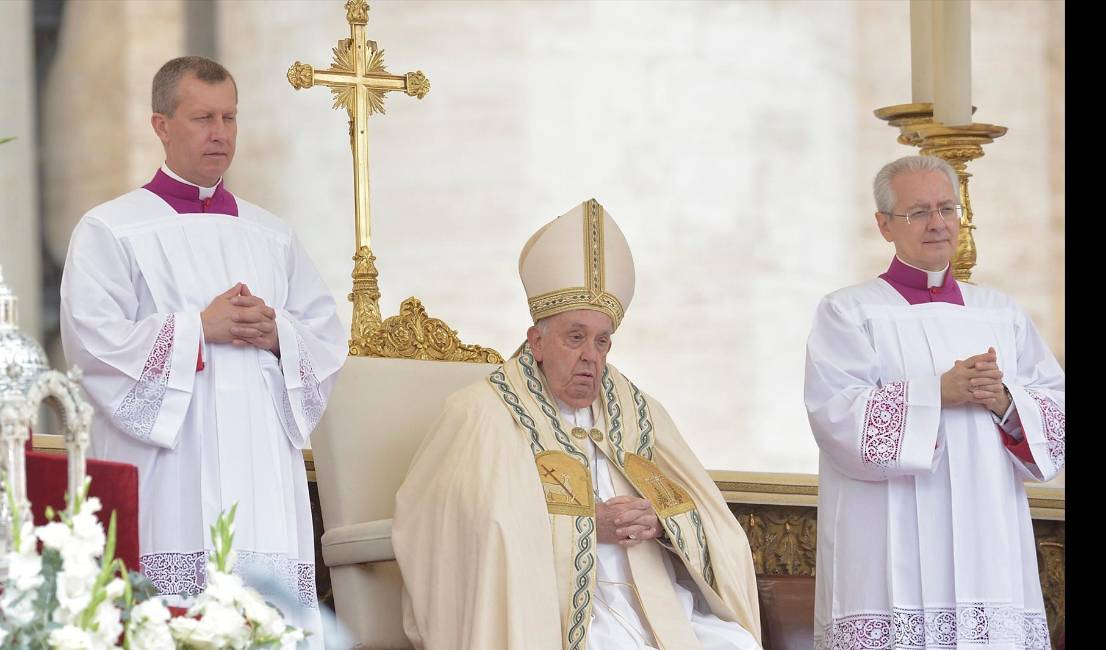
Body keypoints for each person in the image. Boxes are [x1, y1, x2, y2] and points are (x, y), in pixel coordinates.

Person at [392, 199, 762, 649]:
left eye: (602, 341)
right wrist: (588, 524)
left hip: (655, 603)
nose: (592, 355)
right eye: (575, 337)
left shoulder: (637, 413)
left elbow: (710, 520)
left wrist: (661, 522)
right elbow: (451, 528)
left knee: (735, 644)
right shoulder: (481, 412)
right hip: (546, 612)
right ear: (537, 341)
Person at [60, 55, 346, 634]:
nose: (220, 133)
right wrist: (197, 330)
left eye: (230, 118)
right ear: (161, 126)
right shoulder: (110, 229)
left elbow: (326, 338)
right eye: (202, 118)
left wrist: (278, 335)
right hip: (172, 469)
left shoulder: (272, 235)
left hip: (263, 471)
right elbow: (93, 346)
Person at [804, 155, 1064, 649]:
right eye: (917, 211)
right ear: (884, 225)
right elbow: (835, 416)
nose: (937, 223)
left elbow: (1055, 411)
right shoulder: (849, 311)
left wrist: (1006, 401)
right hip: (888, 538)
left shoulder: (1001, 313)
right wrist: (935, 394)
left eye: (947, 207)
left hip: (989, 536)